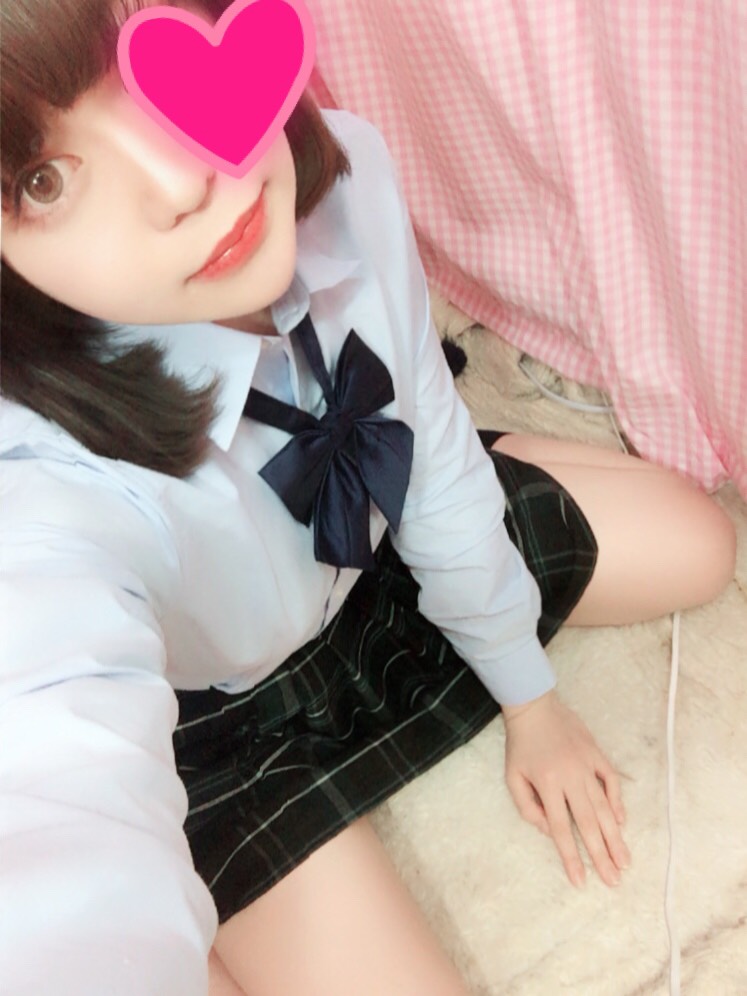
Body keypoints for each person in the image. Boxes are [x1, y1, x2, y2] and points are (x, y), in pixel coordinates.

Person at [0, 1, 736, 994]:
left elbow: (424, 434)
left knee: (698, 545)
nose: (183, 183)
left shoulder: (347, 179)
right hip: (227, 724)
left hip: (377, 557)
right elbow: (49, 785)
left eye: (146, 54)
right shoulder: (38, 481)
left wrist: (531, 702)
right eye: (42, 180)